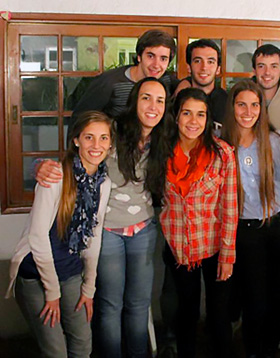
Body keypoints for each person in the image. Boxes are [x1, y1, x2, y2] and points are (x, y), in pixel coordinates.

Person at [34, 77, 171, 358]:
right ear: (135, 101)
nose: (153, 105)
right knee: (109, 305)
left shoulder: (163, 139)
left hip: (144, 229)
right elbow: (80, 157)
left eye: (160, 100)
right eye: (146, 97)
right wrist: (41, 164)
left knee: (138, 302)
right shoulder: (113, 131)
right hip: (107, 230)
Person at [6, 111, 113, 357]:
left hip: (70, 271)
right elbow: (38, 237)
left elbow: (93, 236)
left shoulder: (103, 183)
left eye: (103, 138)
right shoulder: (56, 176)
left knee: (83, 343)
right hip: (36, 275)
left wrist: (89, 287)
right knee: (56, 352)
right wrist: (52, 293)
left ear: (110, 143)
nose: (96, 146)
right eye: (89, 137)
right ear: (76, 140)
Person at [221, 80, 280, 357]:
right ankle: (254, 347)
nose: (248, 111)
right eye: (242, 104)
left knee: (278, 292)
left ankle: (271, 343)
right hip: (246, 230)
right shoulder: (221, 145)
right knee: (253, 294)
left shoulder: (274, 140)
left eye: (255, 105)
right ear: (232, 107)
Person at [38, 29, 176, 183]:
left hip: (144, 165)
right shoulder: (110, 82)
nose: (156, 65)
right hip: (109, 163)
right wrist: (74, 165)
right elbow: (80, 120)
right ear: (139, 56)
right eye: (150, 56)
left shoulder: (166, 83)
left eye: (163, 59)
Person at [160, 87, 238, 358]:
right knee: (187, 312)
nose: (193, 121)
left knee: (219, 314)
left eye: (201, 115)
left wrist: (228, 255)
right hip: (179, 248)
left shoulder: (222, 153)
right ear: (176, 116)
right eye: (187, 113)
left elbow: (230, 207)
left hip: (215, 247)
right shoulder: (162, 151)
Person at [173, 39, 228, 127]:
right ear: (189, 67)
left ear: (218, 69)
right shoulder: (177, 100)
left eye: (210, 62)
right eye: (198, 61)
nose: (204, 67)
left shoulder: (228, 103)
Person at [251, 44, 280, 130]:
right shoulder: (241, 99)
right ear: (254, 70)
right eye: (261, 66)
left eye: (274, 66)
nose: (267, 72)